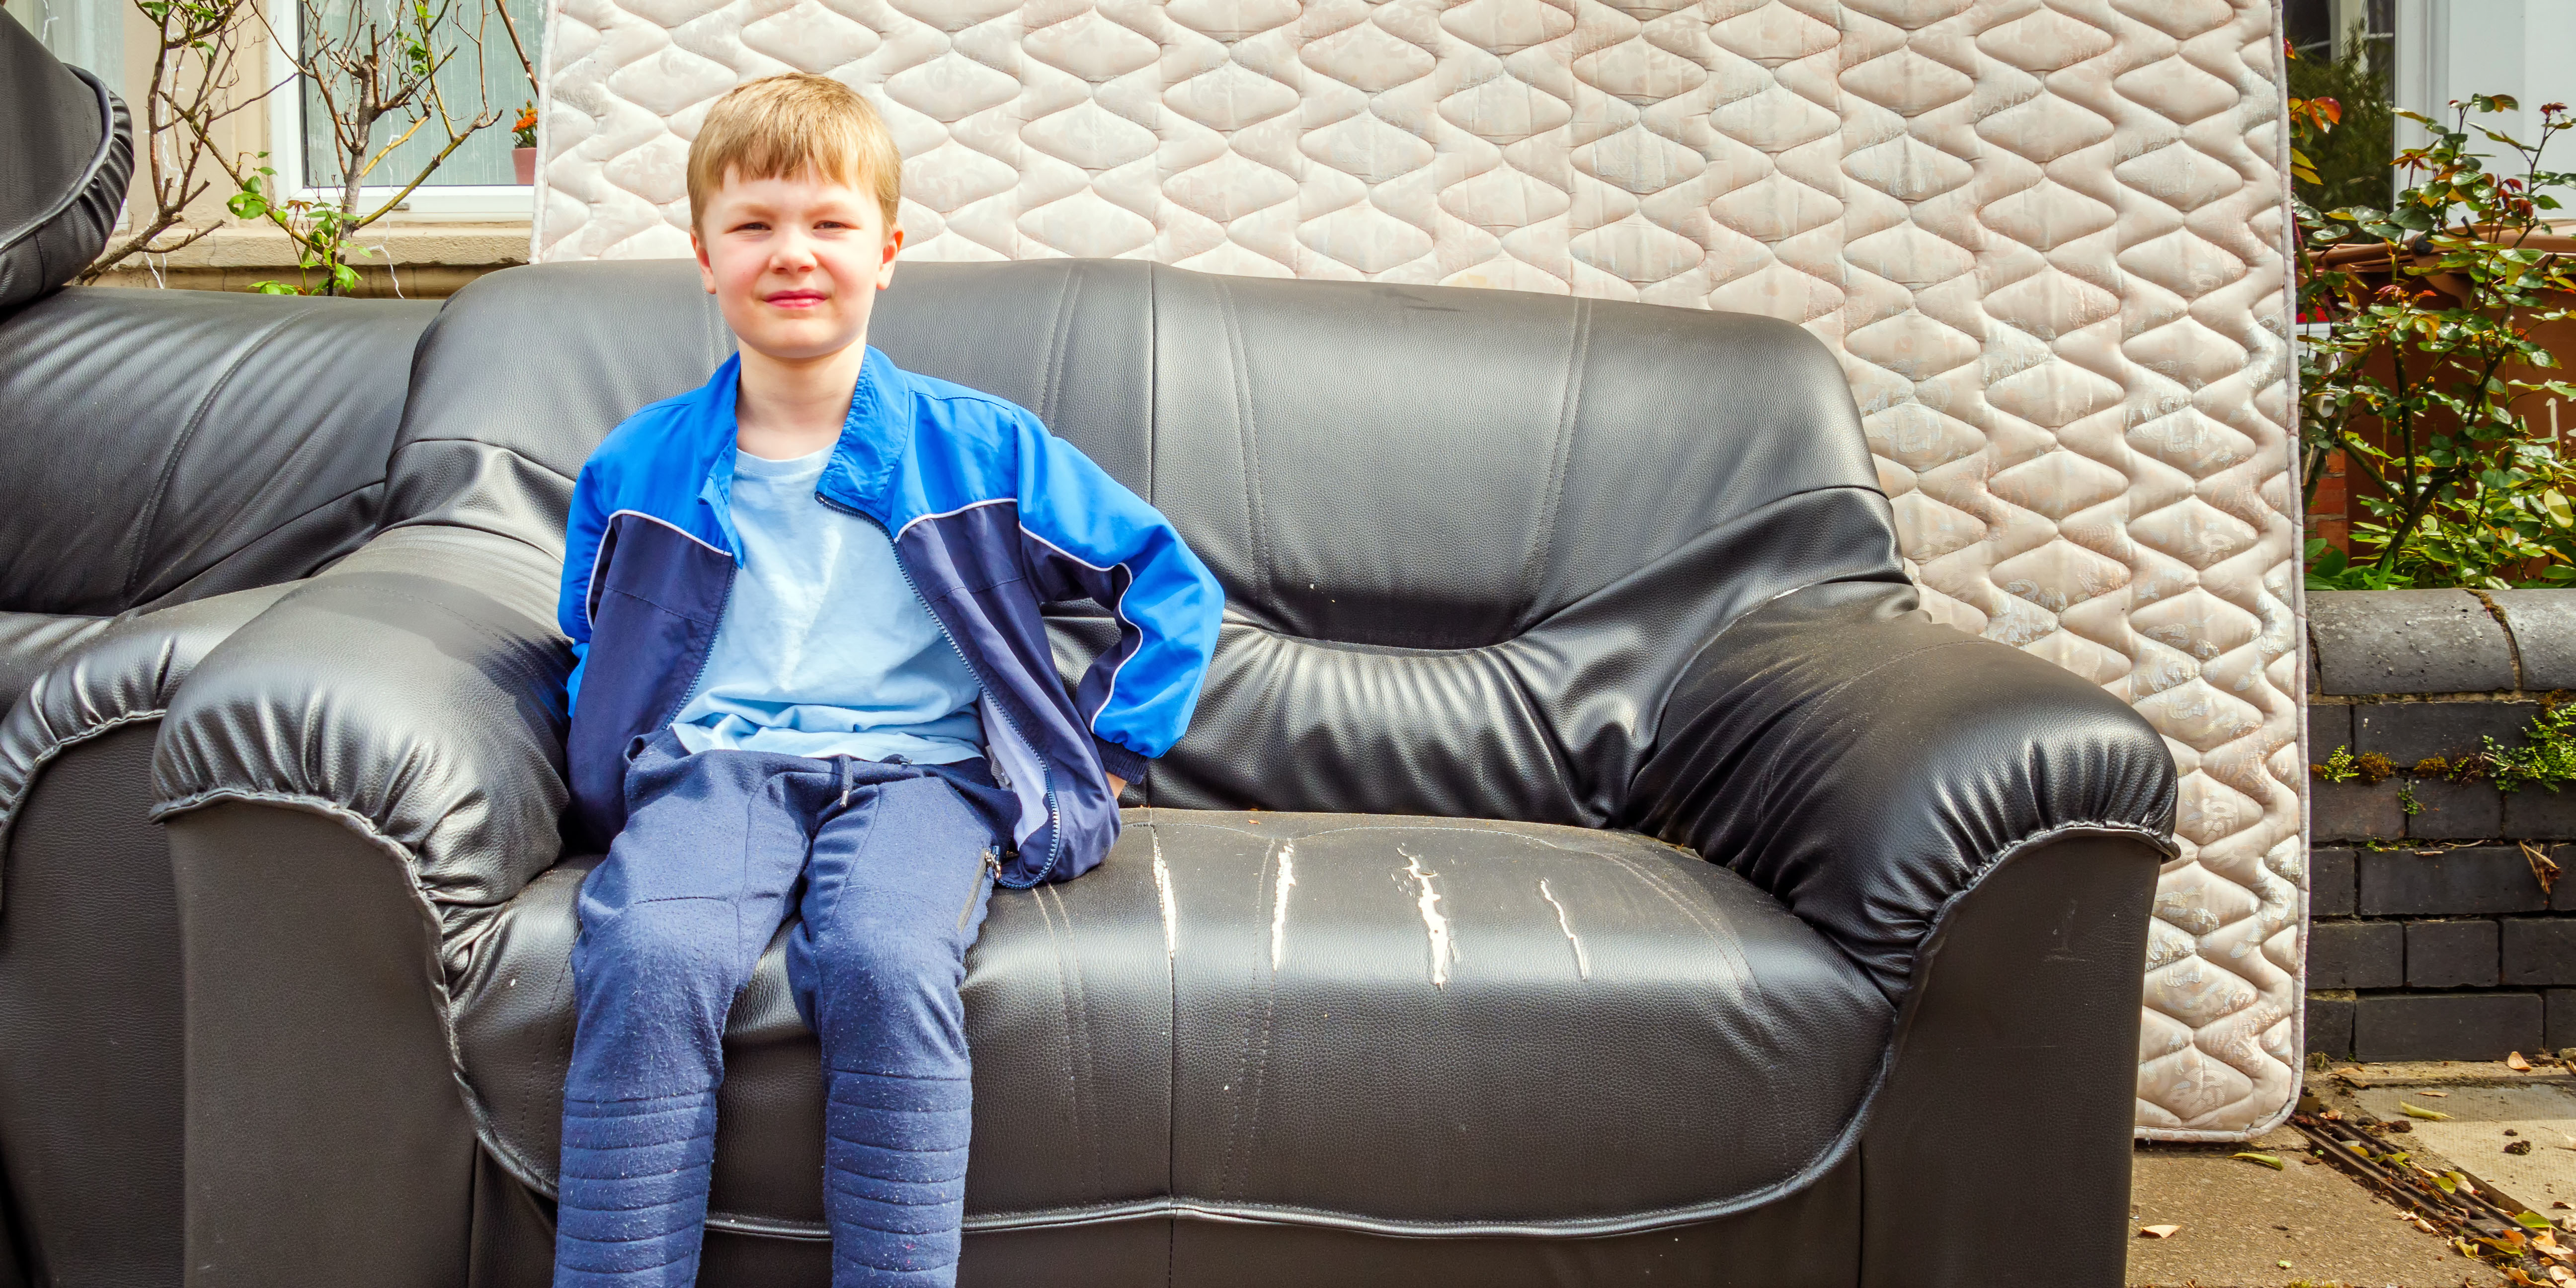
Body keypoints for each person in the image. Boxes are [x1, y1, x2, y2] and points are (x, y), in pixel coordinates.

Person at [550, 73, 1224, 1288]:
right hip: (718, 774)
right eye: (752, 225)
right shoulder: (637, 463)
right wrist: (599, 759)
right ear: (703, 255)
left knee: (884, 961)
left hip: (926, 776)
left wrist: (1111, 749)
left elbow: (1169, 582)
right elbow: (591, 635)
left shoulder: (980, 445)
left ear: (890, 250)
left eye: (829, 224)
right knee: (648, 958)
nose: (791, 254)